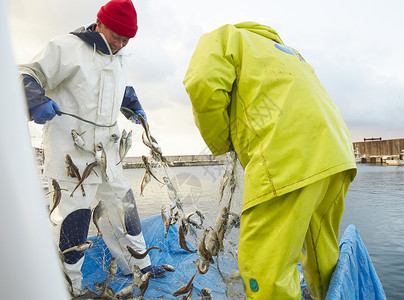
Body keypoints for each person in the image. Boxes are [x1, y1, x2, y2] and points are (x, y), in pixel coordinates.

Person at [184, 22, 357, 300]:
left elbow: (202, 81)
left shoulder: (227, 37)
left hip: (286, 156)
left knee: (264, 267)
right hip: (337, 155)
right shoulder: (288, 53)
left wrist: (220, 142)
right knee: (321, 253)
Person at [18, 0, 165, 294]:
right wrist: (35, 100)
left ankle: (139, 266)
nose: (121, 44)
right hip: (72, 159)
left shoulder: (119, 56)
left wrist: (131, 104)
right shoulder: (66, 48)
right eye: (117, 36)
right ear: (100, 24)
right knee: (74, 222)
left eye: (127, 40)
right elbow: (25, 73)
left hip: (107, 156)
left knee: (125, 210)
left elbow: (116, 88)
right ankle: (69, 287)